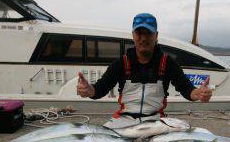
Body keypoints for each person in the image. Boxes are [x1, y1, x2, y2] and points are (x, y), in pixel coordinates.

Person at [77, 13, 212, 128]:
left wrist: (198, 93)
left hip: (156, 121)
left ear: (156, 35)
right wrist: (89, 90)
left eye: (148, 33)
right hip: (123, 120)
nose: (143, 38)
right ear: (133, 35)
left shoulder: (168, 63)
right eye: (139, 33)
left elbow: (186, 88)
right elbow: (100, 88)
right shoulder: (121, 63)